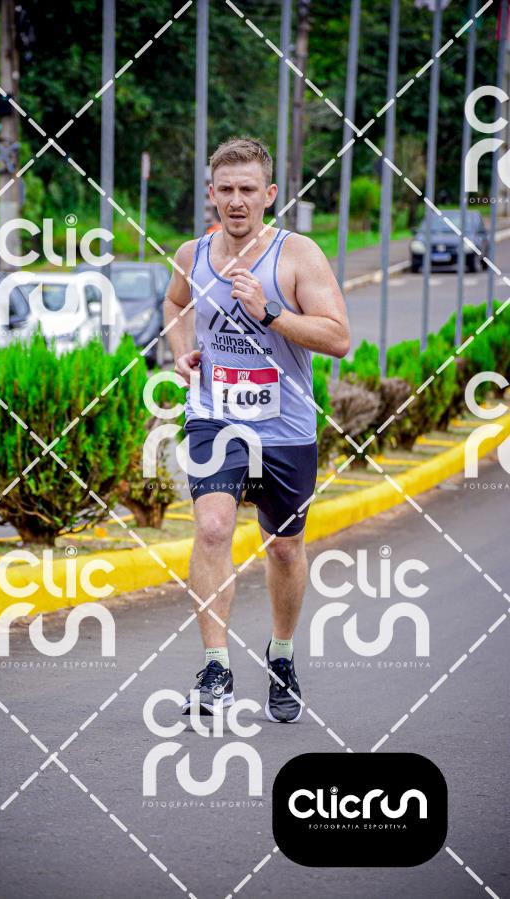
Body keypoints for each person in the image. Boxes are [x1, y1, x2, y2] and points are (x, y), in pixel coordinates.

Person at [163, 137, 350, 723]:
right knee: (213, 528)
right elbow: (175, 305)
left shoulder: (298, 255)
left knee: (285, 547)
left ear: (269, 195)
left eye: (248, 189)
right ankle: (216, 668)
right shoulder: (193, 254)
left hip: (284, 426)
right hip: (214, 414)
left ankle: (282, 654)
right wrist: (181, 350)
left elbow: (338, 338)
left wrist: (270, 312)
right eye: (226, 190)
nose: (236, 200)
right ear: (211, 194)